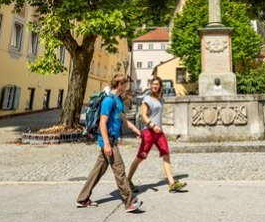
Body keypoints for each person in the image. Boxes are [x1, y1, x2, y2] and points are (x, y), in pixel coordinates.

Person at [76, 74, 143, 212]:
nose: (127, 87)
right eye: (126, 84)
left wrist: (136, 129)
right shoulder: (108, 100)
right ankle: (129, 201)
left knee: (98, 169)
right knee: (119, 168)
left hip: (111, 139)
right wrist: (106, 144)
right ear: (120, 84)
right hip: (108, 140)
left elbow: (122, 119)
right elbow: (102, 122)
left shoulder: (118, 100)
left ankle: (83, 198)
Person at [127, 76, 187, 193]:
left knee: (166, 154)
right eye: (153, 84)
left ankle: (172, 183)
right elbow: (143, 115)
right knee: (140, 157)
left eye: (157, 84)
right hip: (149, 132)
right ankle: (127, 181)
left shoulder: (161, 99)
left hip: (159, 132)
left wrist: (158, 127)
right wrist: (152, 125)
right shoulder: (147, 99)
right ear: (151, 85)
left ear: (160, 86)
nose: (155, 86)